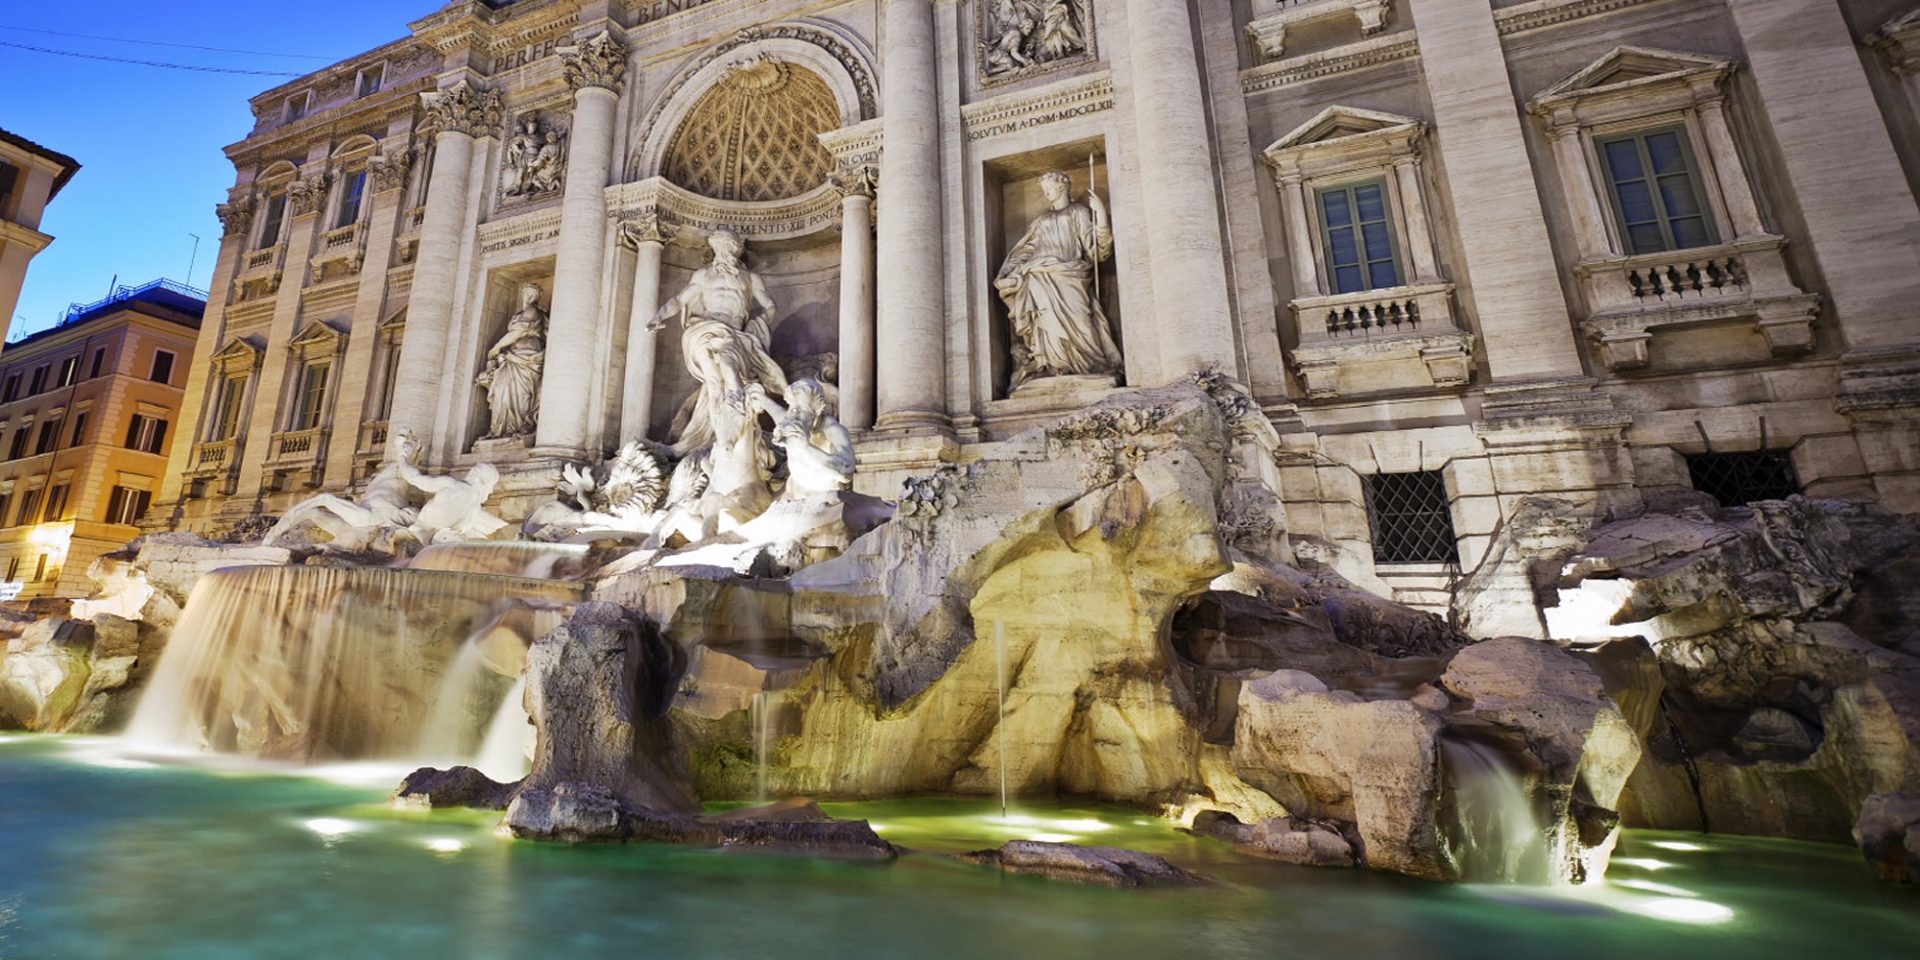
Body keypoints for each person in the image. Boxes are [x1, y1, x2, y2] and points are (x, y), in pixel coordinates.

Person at [649, 229, 789, 455]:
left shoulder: (751, 278)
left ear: (736, 249)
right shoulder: (703, 276)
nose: (723, 252)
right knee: (715, 382)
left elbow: (771, 307)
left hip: (734, 335)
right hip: (704, 331)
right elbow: (678, 300)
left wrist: (760, 323)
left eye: (728, 247)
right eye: (719, 248)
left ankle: (731, 435)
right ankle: (719, 439)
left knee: (725, 373)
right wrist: (659, 316)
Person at [995, 170, 1122, 391]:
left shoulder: (1078, 212)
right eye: (1044, 189)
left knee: (1081, 318)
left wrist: (1100, 215)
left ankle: (1090, 365)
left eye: (1050, 188)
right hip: (1038, 276)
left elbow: (1097, 250)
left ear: (1062, 187)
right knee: (1045, 322)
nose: (1046, 193)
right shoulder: (1041, 219)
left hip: (1070, 275)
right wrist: (1010, 272)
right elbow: (1025, 250)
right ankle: (1052, 364)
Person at [477, 282, 547, 438]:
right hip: (513, 355)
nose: (529, 296)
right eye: (527, 293)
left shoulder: (532, 311)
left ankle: (518, 426)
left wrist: (497, 346)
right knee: (502, 389)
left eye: (532, 294)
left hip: (527, 355)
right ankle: (500, 429)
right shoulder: (521, 312)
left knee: (522, 393)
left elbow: (518, 331)